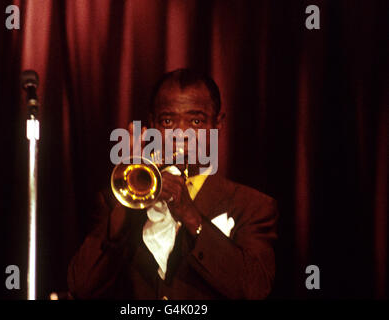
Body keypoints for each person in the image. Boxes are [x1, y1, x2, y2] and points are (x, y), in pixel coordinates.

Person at [67, 69, 278, 299]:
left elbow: (255, 289)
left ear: (218, 125)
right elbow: (81, 287)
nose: (180, 134)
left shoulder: (253, 206)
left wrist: (190, 215)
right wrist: (127, 205)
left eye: (196, 121)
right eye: (168, 121)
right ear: (153, 125)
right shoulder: (113, 202)